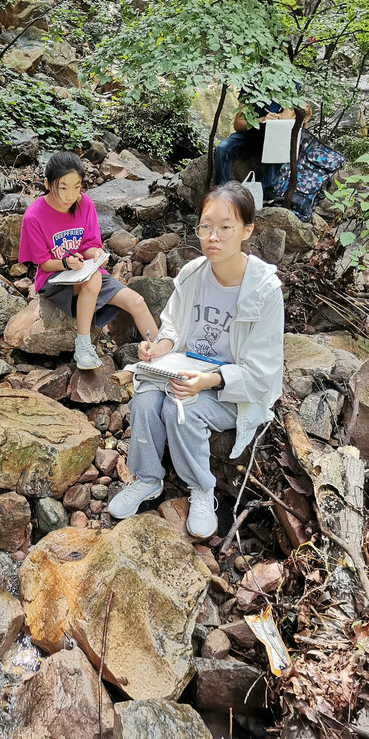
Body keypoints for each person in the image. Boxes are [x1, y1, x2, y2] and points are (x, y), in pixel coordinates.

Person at [108, 182, 284, 539]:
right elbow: (174, 326)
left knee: (178, 407)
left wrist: (209, 381)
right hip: (185, 368)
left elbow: (262, 374)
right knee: (144, 399)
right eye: (205, 226)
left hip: (231, 388)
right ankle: (147, 478)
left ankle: (201, 488)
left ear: (247, 230)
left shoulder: (265, 290)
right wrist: (160, 347)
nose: (212, 236)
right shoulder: (192, 274)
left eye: (225, 227)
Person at [18, 151, 158, 370]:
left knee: (137, 302)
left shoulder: (85, 204)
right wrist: (66, 263)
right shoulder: (34, 216)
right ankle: (83, 346)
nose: (70, 195)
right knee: (92, 281)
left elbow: (90, 244)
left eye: (77, 187)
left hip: (85, 270)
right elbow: (44, 264)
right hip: (54, 278)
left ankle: (160, 357)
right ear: (47, 183)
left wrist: (95, 254)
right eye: (63, 187)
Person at [214, 94, 296, 198]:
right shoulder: (251, 86)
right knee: (222, 148)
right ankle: (222, 194)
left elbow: (285, 120)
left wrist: (276, 119)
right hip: (248, 137)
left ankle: (264, 192)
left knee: (278, 142)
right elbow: (238, 124)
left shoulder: (291, 85)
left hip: (272, 139)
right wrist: (261, 120)